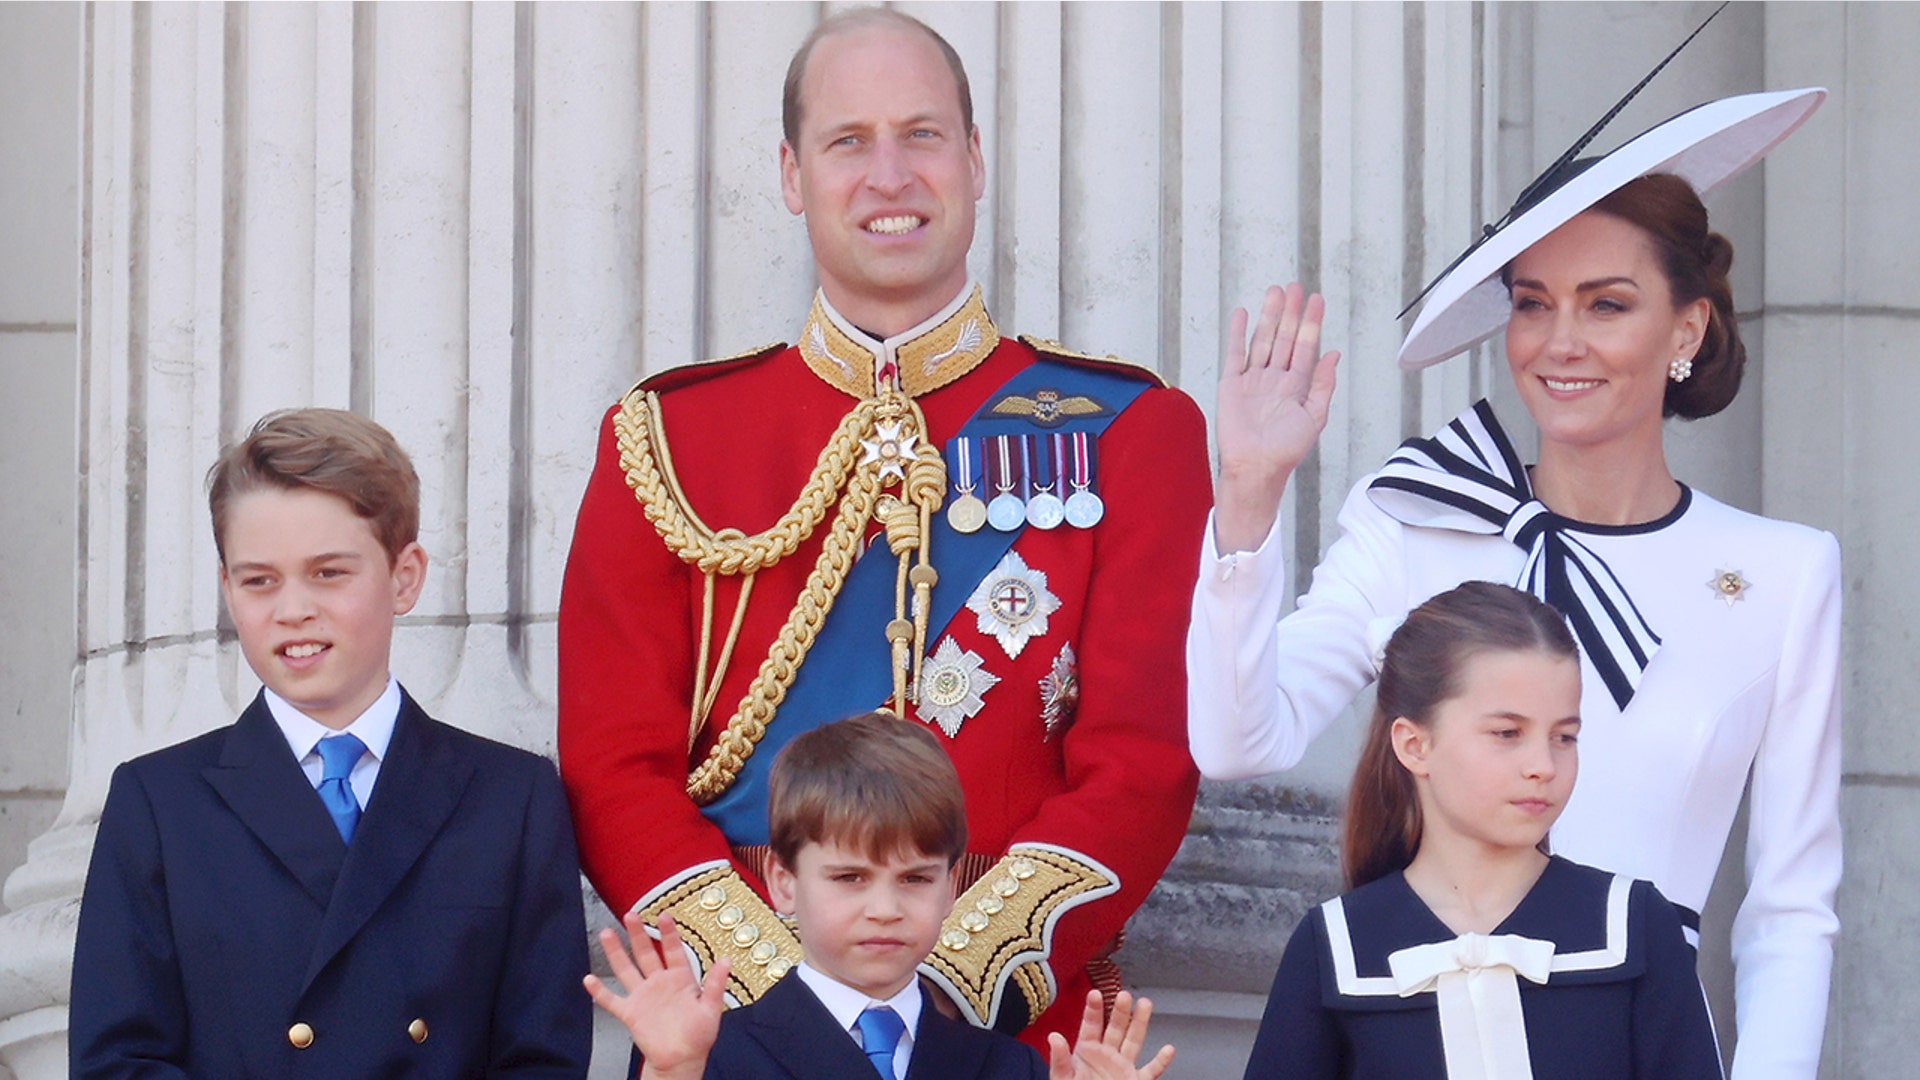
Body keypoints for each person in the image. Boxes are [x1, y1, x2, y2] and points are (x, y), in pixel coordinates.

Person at [559, 7, 1211, 1047]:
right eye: (848, 141)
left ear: (975, 158)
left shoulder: (1132, 432)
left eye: (923, 134)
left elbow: (1142, 767)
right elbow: (612, 767)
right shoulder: (668, 440)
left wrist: (939, 986)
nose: (890, 175)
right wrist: (787, 1001)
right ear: (791, 174)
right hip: (737, 1035)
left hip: (1008, 1037)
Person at [1188, 88, 1838, 1077]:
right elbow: (1238, 740)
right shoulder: (1412, 518)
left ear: (1686, 330)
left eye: (1606, 304)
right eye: (1533, 305)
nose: (1559, 343)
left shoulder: (1787, 576)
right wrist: (1247, 496)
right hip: (1415, 1033)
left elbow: (1790, 910)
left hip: (1636, 1039)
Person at [69, 409, 592, 1077]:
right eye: (260, 579)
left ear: (405, 577)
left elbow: (542, 1059)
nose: (292, 609)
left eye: (328, 573)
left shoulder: (512, 798)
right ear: (229, 589)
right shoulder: (159, 802)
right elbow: (118, 1060)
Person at [1246, 582, 1721, 1078]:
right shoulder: (1337, 944)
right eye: (1507, 734)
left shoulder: (1635, 926)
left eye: (1564, 736)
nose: (1543, 765)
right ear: (1414, 745)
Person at [586, 713, 1177, 1080]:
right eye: (850, 879)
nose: (885, 908)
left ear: (951, 888)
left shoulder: (1007, 1065)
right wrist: (672, 1074)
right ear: (784, 882)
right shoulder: (709, 1051)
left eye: (916, 879)